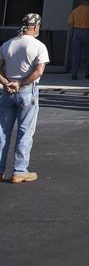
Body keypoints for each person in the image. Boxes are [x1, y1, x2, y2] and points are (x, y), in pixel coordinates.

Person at [0, 13, 50, 184]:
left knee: (2, 132)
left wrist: (8, 83)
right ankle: (19, 171)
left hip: (7, 92)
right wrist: (19, 84)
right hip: (27, 92)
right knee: (25, 132)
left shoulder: (7, 44)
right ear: (36, 27)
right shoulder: (39, 46)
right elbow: (38, 71)